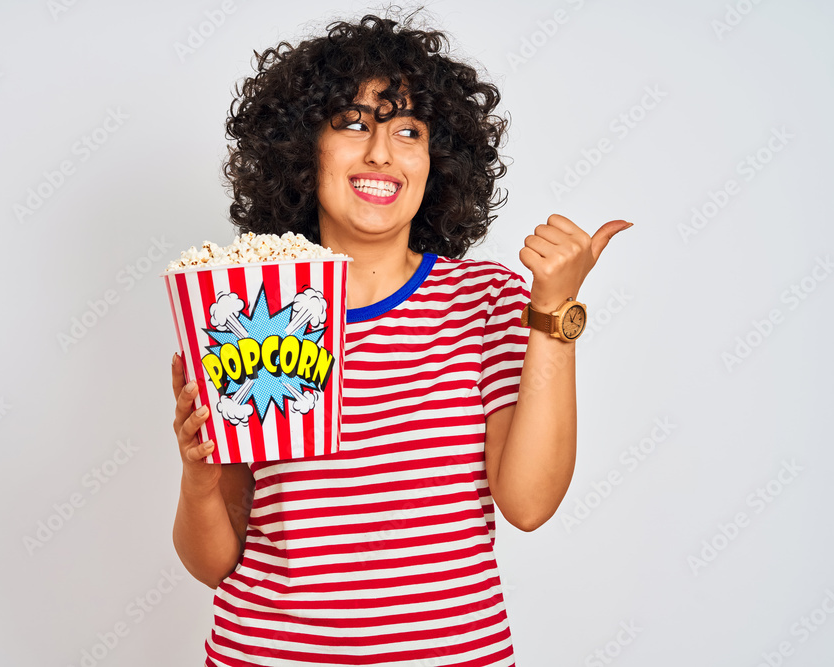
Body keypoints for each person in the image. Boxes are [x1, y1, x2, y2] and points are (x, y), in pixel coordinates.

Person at [171, 9, 631, 666]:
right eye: (353, 123)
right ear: (306, 146)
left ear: (436, 160)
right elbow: (215, 563)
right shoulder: (249, 306)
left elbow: (528, 503)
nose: (380, 151)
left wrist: (555, 314)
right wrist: (197, 476)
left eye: (407, 130)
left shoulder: (487, 301)